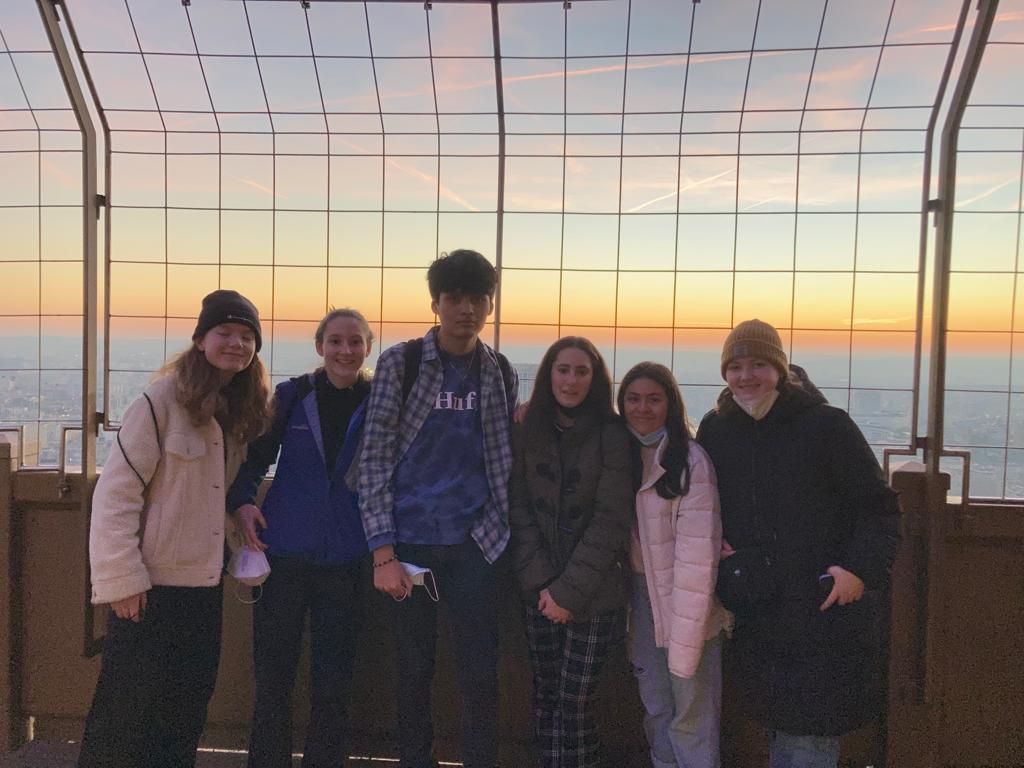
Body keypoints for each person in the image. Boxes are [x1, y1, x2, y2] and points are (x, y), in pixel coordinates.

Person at [696, 319, 901, 768]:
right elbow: (699, 501)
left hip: (820, 605)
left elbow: (880, 509)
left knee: (809, 732)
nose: (746, 376)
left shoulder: (827, 426)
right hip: (758, 606)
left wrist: (856, 571)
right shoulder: (717, 428)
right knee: (776, 724)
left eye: (758, 364)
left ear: (781, 368)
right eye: (735, 366)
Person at [79, 289, 271, 768]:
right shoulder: (160, 401)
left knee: (184, 712)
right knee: (123, 716)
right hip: (148, 587)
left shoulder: (238, 409)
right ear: (201, 338)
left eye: (247, 336)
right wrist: (122, 580)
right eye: (225, 332)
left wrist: (241, 511)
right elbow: (116, 495)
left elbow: (215, 492)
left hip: (202, 587)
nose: (237, 344)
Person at [358, 249, 518, 768]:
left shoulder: (498, 370)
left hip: (476, 543)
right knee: (412, 671)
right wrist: (382, 552)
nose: (466, 309)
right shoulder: (401, 363)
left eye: (478, 298)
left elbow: (503, 457)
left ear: (489, 306)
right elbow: (375, 456)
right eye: (454, 298)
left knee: (480, 674)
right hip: (409, 543)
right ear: (436, 303)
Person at [227, 308, 374, 768]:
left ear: (368, 347)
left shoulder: (381, 401)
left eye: (355, 342)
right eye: (335, 341)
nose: (345, 351)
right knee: (273, 676)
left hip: (348, 557)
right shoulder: (293, 395)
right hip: (284, 552)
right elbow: (255, 460)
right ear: (319, 347)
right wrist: (244, 502)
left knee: (334, 679)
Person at [509, 336, 633, 768]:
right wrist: (544, 584)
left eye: (582, 371)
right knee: (545, 695)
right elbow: (518, 508)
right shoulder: (528, 427)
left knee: (574, 700)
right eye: (563, 369)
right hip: (538, 589)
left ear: (596, 379)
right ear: (549, 375)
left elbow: (610, 521)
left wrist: (567, 593)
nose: (571, 380)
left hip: (594, 594)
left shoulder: (614, 435)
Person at [618, 362, 729, 768]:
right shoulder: (617, 454)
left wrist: (687, 638)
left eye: (653, 398)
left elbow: (697, 565)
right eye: (632, 398)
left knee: (692, 714)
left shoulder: (691, 462)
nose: (642, 408)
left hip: (691, 603)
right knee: (658, 709)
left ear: (671, 403)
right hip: (640, 600)